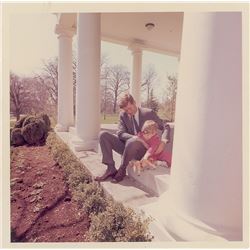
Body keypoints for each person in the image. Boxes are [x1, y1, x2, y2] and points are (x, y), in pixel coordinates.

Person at [95, 93, 169, 183]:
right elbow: (120, 133)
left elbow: (165, 126)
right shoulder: (123, 115)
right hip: (127, 148)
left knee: (133, 141)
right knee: (103, 135)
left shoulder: (148, 113)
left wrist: (164, 141)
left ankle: (122, 170)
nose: (128, 112)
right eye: (126, 110)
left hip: (144, 151)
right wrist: (135, 137)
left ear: (134, 102)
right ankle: (111, 168)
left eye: (130, 108)